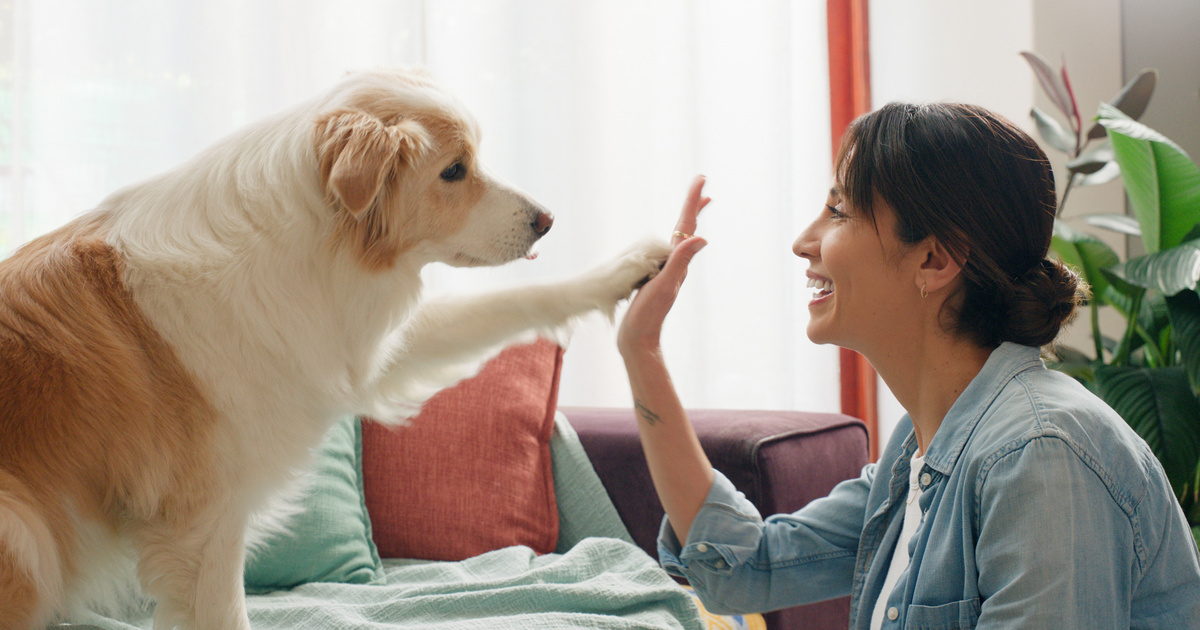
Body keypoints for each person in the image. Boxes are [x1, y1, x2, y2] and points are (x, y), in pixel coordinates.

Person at [617, 102, 1200, 629]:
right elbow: (744, 570)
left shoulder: (1040, 455)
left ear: (933, 259)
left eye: (838, 212)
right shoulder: (919, 452)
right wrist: (641, 349)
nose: (803, 242)